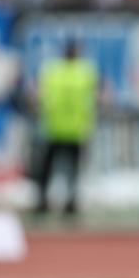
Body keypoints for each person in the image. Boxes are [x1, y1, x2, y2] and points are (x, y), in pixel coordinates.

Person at [34, 40, 98, 215]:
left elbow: (38, 96)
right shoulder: (85, 72)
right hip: (76, 130)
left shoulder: (52, 71)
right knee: (73, 170)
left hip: (54, 128)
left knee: (47, 168)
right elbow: (100, 96)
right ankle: (71, 203)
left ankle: (42, 202)